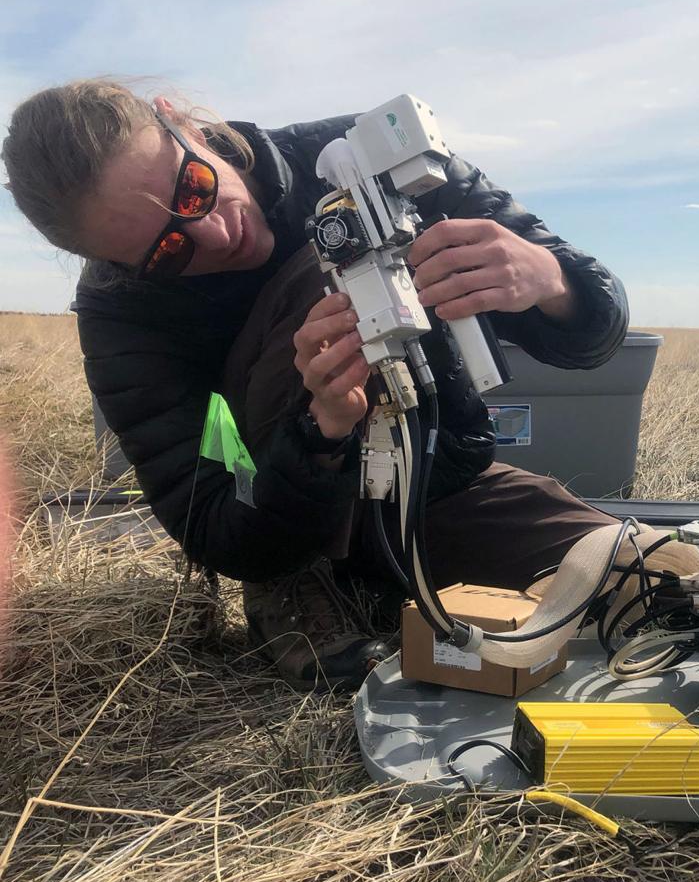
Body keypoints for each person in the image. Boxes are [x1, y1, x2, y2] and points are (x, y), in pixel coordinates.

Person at [1, 79, 659, 691]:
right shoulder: (122, 312)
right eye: (166, 253)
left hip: (437, 484)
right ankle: (301, 587)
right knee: (330, 259)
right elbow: (211, 521)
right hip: (282, 516)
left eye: (194, 189)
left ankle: (388, 574)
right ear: (121, 267)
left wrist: (550, 282)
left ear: (183, 125)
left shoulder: (370, 157)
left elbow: (593, 334)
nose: (213, 232)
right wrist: (319, 431)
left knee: (659, 580)